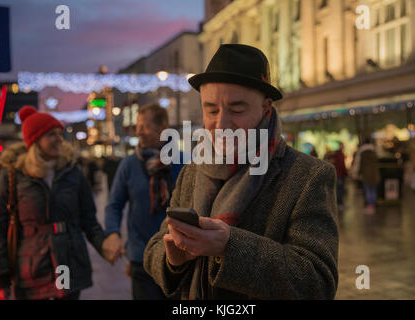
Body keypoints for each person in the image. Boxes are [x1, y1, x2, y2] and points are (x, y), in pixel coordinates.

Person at [143, 44, 338, 300]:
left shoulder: (308, 175)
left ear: (266, 108)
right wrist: (173, 260)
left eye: (237, 109)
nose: (222, 124)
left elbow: (317, 282)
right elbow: (155, 245)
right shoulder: (193, 170)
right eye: (211, 109)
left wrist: (229, 247)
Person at [0, 106, 111, 300]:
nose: (59, 139)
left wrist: (105, 245)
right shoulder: (12, 176)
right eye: (51, 134)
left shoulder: (73, 173)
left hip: (69, 262)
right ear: (36, 140)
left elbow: (88, 219)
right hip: (31, 271)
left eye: (59, 134)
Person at [103, 103, 184, 300]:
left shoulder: (181, 161)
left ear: (162, 127)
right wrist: (112, 233)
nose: (139, 132)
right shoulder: (129, 165)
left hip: (177, 256)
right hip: (142, 257)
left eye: (145, 126)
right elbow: (114, 204)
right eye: (137, 126)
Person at [357, 138, 380, 214]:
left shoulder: (363, 154)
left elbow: (360, 165)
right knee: (373, 191)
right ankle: (372, 205)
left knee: (368, 191)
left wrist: (359, 173)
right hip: (374, 175)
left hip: (366, 175)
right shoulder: (374, 154)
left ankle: (370, 206)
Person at [333, 142, 348, 210]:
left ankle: (338, 204)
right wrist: (345, 173)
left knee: (338, 190)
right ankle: (339, 204)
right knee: (339, 190)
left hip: (337, 174)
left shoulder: (335, 154)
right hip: (340, 175)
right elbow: (342, 165)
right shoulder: (340, 154)